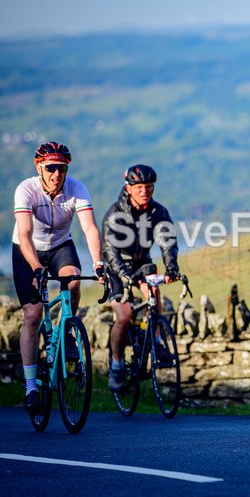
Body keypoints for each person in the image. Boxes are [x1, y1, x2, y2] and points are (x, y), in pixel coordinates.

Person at [13, 141, 104, 415]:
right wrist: (36, 267)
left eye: (62, 169)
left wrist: (98, 263)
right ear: (39, 167)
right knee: (32, 314)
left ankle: (67, 337)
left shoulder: (77, 188)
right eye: (51, 168)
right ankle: (31, 388)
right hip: (26, 250)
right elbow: (25, 234)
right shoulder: (26, 189)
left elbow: (89, 229)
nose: (57, 174)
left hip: (61, 246)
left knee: (73, 279)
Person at [101, 164, 180, 392]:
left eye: (148, 186)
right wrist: (124, 275)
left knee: (154, 295)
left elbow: (168, 242)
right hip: (116, 267)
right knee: (124, 318)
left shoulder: (158, 212)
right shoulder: (115, 214)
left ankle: (156, 342)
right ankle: (116, 365)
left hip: (141, 262)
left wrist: (172, 267)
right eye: (139, 187)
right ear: (129, 188)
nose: (144, 191)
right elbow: (110, 250)